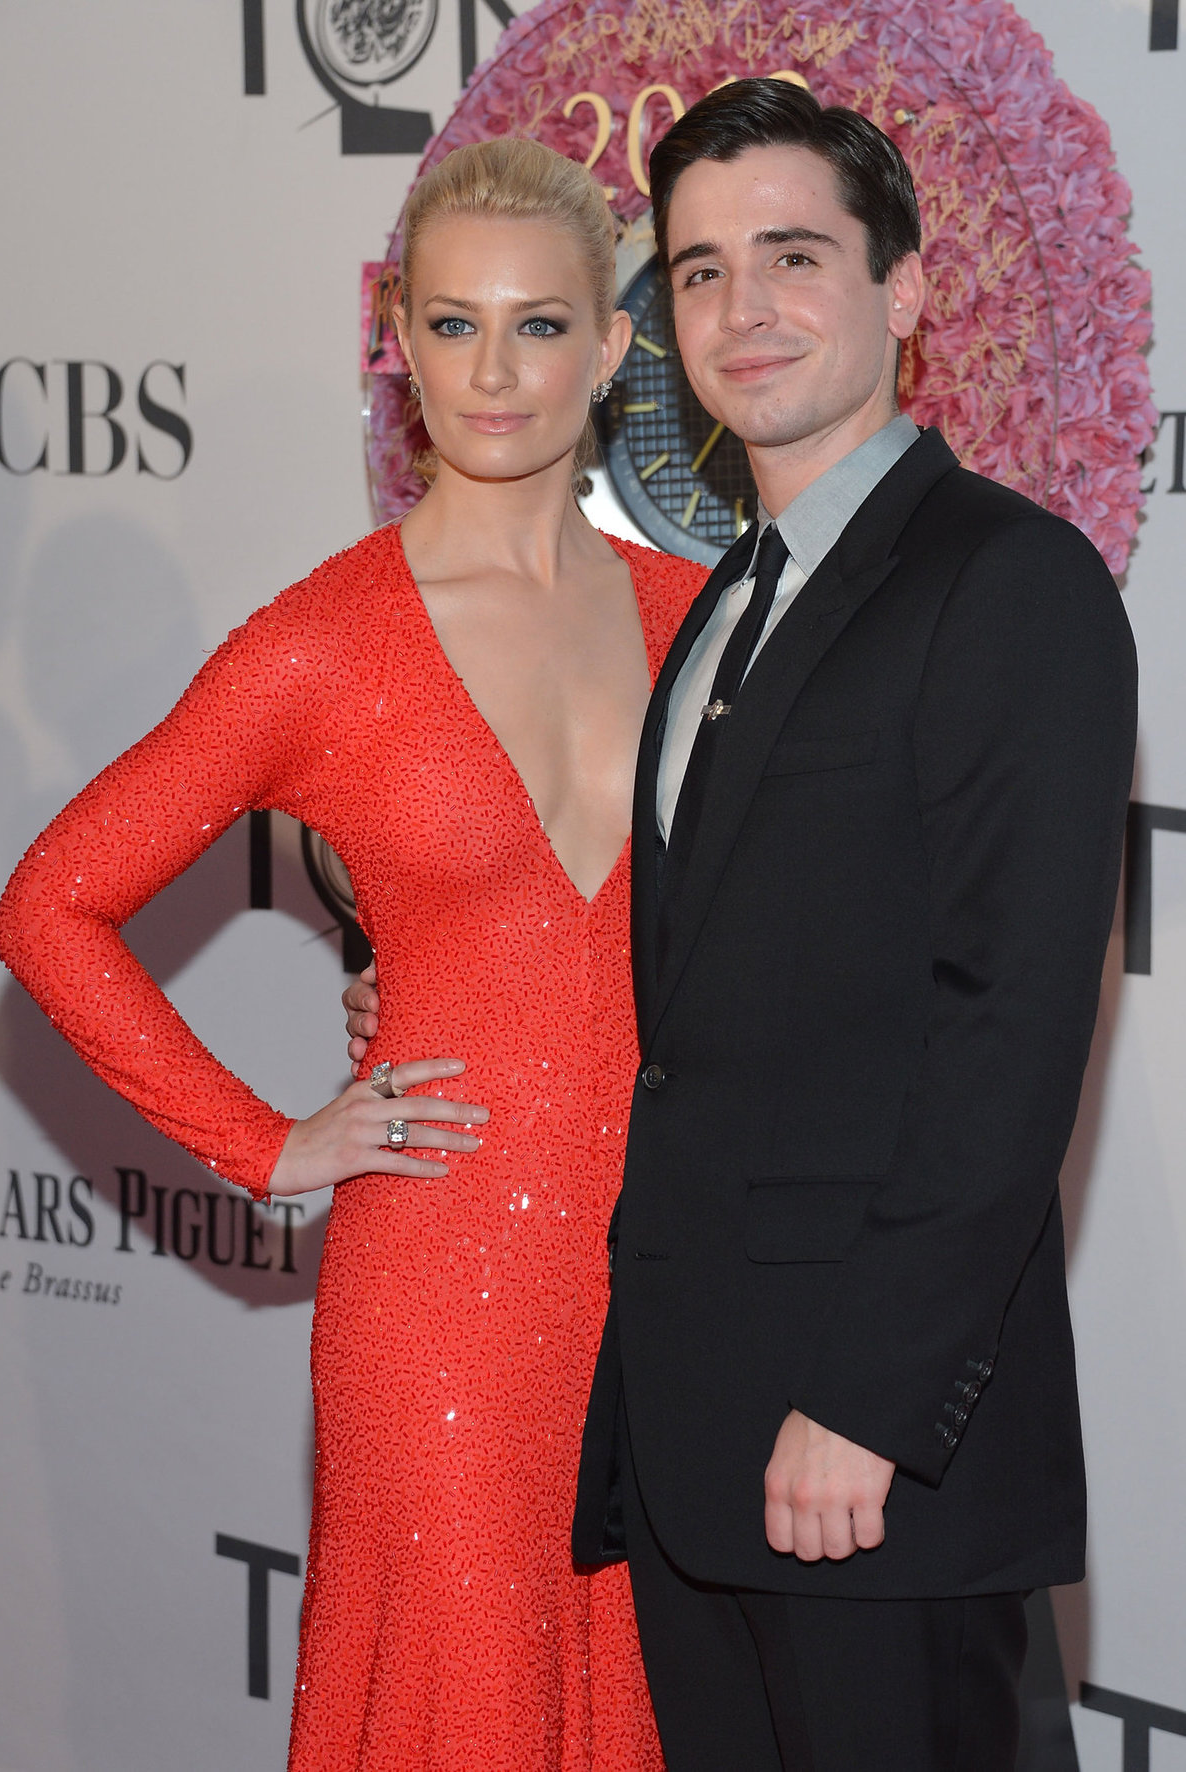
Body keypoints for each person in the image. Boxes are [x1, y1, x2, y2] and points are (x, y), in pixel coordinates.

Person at [354, 81, 1138, 1767]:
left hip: (871, 1461)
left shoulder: (1010, 583)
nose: (743, 308)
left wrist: (871, 1404)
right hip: (693, 1446)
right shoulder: (718, 601)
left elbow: (1008, 1036)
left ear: (905, 291)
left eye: (794, 256)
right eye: (701, 270)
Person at [0, 138, 707, 1771]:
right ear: (396, 337)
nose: (494, 373)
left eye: (539, 326)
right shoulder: (320, 644)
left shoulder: (698, 617)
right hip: (439, 1300)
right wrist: (266, 1142)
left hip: (664, 1288)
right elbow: (49, 906)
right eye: (453, 325)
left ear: (614, 346)